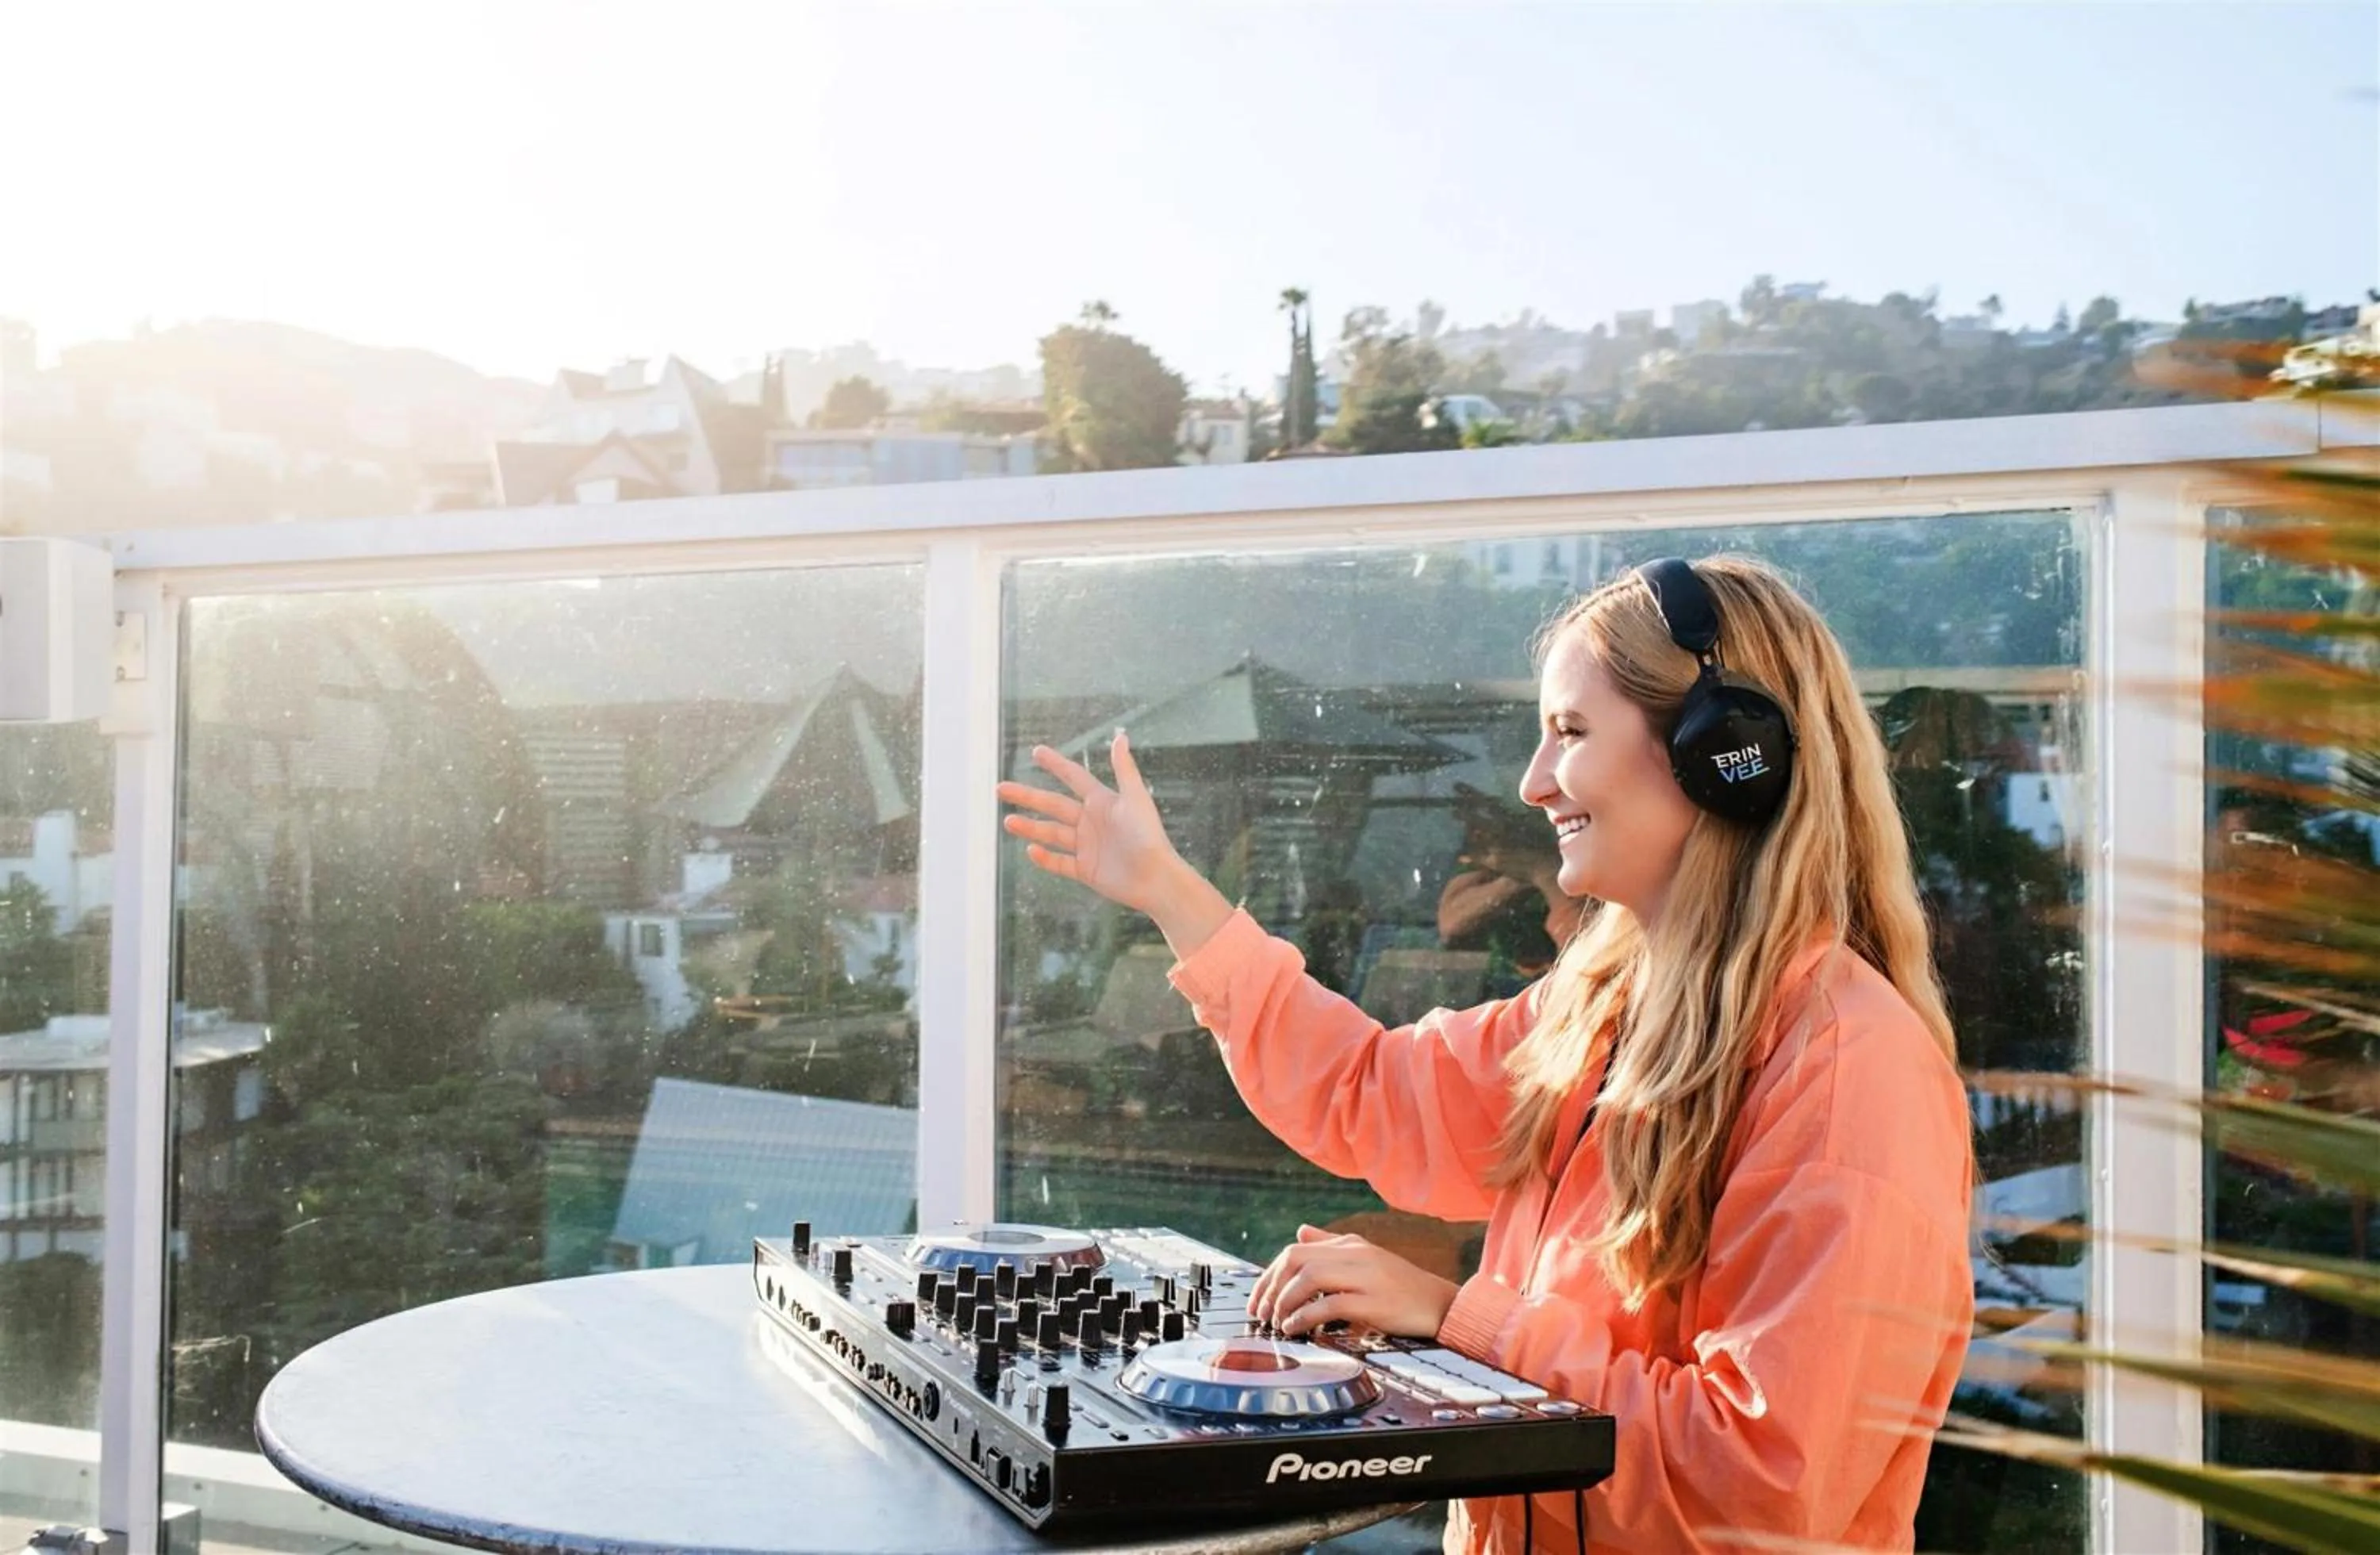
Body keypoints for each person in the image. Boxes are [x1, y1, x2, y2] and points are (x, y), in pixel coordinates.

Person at [996, 555, 1975, 1553]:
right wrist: (1170, 891)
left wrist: (1459, 1320)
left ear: (1724, 749)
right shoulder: (1600, 1006)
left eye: (1572, 733)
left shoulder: (1852, 1072)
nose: (1532, 781)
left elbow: (1757, 1481)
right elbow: (1369, 1090)